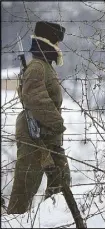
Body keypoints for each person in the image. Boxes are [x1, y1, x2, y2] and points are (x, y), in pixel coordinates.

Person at [7, 21, 71, 214]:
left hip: (47, 136)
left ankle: (51, 219)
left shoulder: (42, 66)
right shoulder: (37, 67)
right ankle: (13, 223)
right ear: (48, 43)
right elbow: (36, 100)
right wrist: (58, 123)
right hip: (34, 137)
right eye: (56, 43)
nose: (58, 47)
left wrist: (54, 128)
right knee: (24, 190)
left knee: (60, 180)